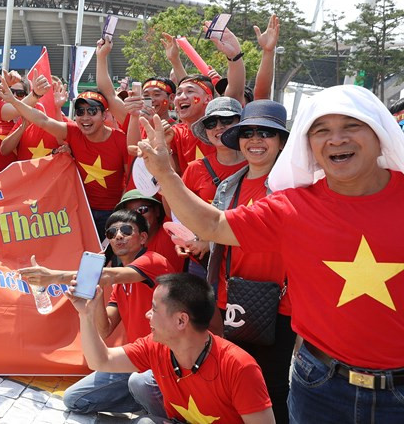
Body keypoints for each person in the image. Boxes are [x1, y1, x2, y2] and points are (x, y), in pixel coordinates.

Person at [135, 85, 404, 422]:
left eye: (352, 126)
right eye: (321, 130)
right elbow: (213, 224)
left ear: (379, 133)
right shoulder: (293, 206)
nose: (336, 139)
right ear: (308, 146)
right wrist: (163, 171)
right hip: (318, 386)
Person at [19, 210, 173, 415]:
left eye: (126, 230)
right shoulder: (119, 285)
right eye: (111, 232)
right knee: (74, 400)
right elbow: (105, 329)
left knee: (140, 382)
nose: (118, 236)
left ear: (143, 237)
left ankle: (162, 415)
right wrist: (96, 300)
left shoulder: (153, 260)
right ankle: (145, 405)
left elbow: (108, 274)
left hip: (165, 360)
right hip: (138, 359)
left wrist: (53, 277)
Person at [199, 99, 293, 424]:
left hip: (280, 305)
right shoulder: (228, 185)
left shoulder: (296, 187)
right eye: (247, 132)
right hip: (232, 300)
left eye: (266, 132)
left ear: (281, 142)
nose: (255, 140)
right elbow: (217, 239)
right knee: (236, 385)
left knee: (273, 389)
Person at [73, 273, 273, 424]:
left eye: (154, 309)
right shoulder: (155, 345)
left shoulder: (239, 367)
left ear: (181, 320)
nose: (147, 314)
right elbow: (100, 360)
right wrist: (85, 315)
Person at [0, 82, 128, 234]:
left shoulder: (121, 140)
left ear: (104, 115)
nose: (85, 118)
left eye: (92, 111)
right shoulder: (73, 132)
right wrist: (14, 101)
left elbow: (130, 179)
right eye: (80, 112)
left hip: (112, 214)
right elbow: (43, 120)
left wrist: (121, 213)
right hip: (79, 211)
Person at [182, 98, 246, 204]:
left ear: (240, 124)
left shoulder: (259, 163)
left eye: (226, 120)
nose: (219, 127)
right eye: (211, 123)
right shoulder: (195, 169)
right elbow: (180, 210)